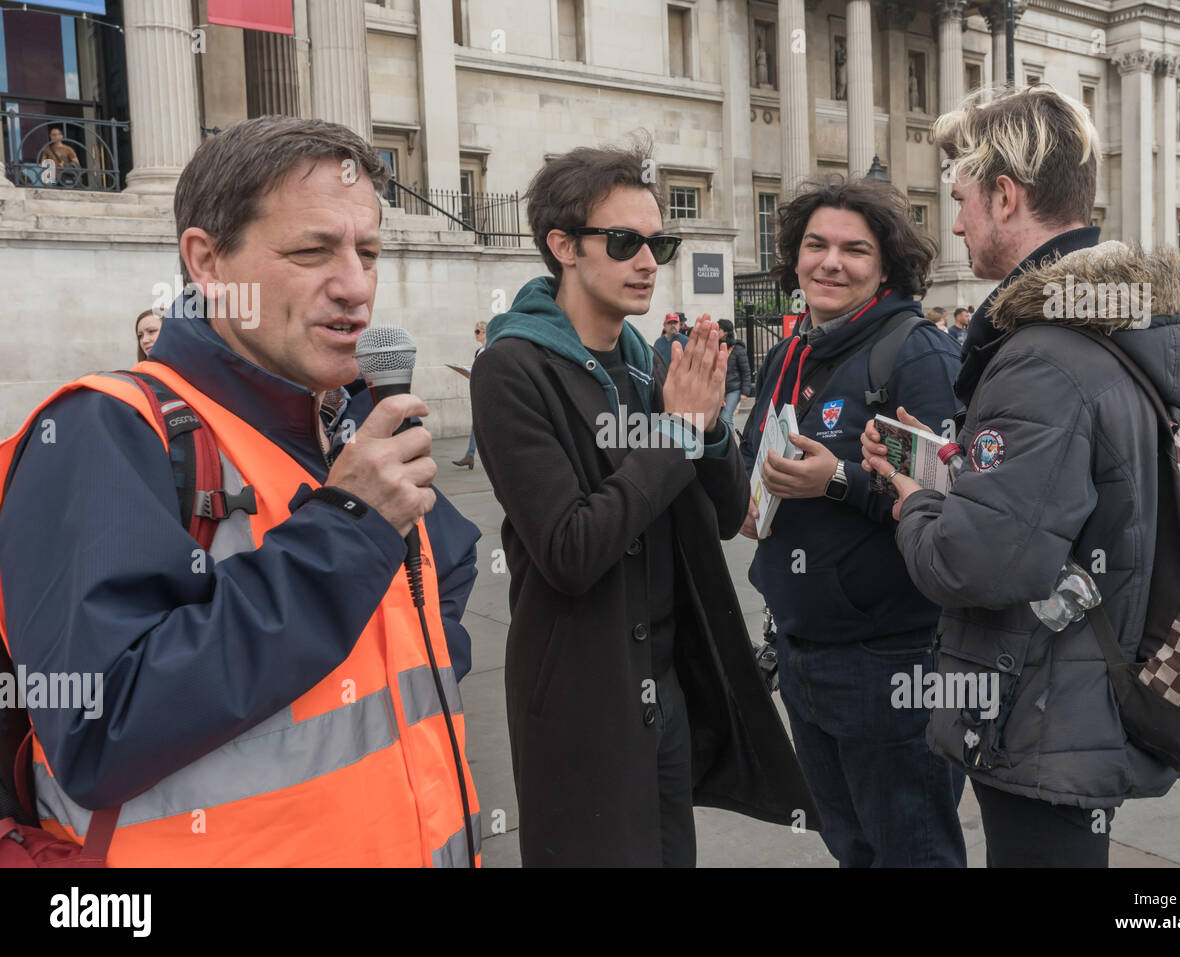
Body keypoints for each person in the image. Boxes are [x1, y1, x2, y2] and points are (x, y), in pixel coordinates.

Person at [0, 116, 482, 866]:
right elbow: (95, 728)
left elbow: (447, 565)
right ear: (208, 261)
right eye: (313, 250)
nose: (355, 286)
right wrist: (345, 533)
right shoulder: (106, 429)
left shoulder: (340, 419)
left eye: (370, 251)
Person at [864, 84, 1180, 867]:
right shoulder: (1103, 327)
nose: (956, 220)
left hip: (1046, 715)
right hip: (1077, 700)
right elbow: (1063, 508)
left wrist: (913, 502)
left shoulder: (1040, 353)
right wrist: (955, 469)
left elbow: (977, 562)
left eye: (962, 197)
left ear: (1006, 196)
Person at [470, 140, 814, 867]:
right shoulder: (511, 368)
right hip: (579, 697)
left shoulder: (642, 359)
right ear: (562, 245)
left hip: (665, 692)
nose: (648, 260)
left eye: (659, 241)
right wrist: (677, 429)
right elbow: (569, 548)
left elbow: (720, 516)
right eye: (624, 241)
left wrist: (710, 423)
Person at [738, 178, 965, 868]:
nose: (830, 262)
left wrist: (836, 480)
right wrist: (752, 499)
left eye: (853, 250)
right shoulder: (790, 353)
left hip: (893, 659)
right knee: (853, 848)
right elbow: (754, 455)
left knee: (913, 850)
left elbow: (955, 498)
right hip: (804, 648)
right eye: (816, 244)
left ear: (885, 266)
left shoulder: (917, 353)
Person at [452, 320, 487, 469]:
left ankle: (471, 455)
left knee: (481, 425)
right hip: (479, 390)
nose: (475, 334)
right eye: (475, 331)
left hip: (487, 393)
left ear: (485, 333)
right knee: (477, 424)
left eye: (478, 331)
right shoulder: (479, 351)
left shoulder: (491, 349)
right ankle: (470, 455)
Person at [717, 317, 751, 431]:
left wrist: (745, 392)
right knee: (719, 419)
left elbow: (746, 371)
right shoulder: (716, 347)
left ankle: (730, 446)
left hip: (734, 389)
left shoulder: (738, 349)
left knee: (726, 417)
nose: (716, 332)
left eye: (718, 329)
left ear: (726, 332)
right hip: (719, 389)